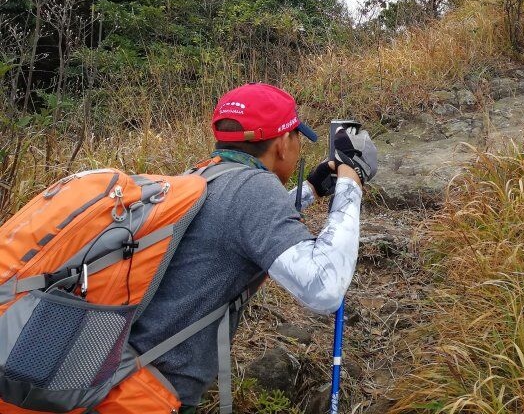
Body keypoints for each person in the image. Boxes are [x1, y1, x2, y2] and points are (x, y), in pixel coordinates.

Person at [129, 82, 377, 412]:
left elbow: (240, 225)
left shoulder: (201, 176)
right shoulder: (254, 188)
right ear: (282, 144)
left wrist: (311, 189)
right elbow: (324, 287)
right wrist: (350, 182)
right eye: (296, 137)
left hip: (122, 372)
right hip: (151, 395)